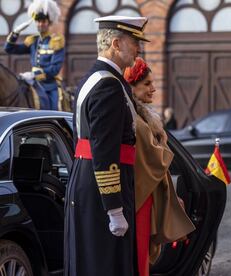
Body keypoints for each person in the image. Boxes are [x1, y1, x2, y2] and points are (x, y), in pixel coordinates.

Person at [64, 15, 150, 276]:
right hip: (104, 187)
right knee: (105, 264)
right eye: (134, 42)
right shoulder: (108, 85)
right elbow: (104, 148)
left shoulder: (95, 78)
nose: (138, 49)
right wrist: (114, 208)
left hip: (89, 181)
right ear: (116, 43)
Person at [124, 57, 195, 276]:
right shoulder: (134, 120)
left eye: (153, 83)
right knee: (138, 260)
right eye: (146, 84)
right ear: (131, 87)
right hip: (139, 201)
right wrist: (164, 150)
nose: (153, 88)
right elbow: (154, 161)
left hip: (144, 198)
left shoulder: (142, 117)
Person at [3, 0, 65, 110]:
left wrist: (34, 74)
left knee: (55, 109)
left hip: (49, 85)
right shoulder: (33, 41)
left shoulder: (56, 41)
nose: (40, 24)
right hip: (33, 84)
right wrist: (15, 32)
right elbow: (9, 49)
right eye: (38, 21)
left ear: (48, 22)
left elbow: (55, 69)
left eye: (43, 21)